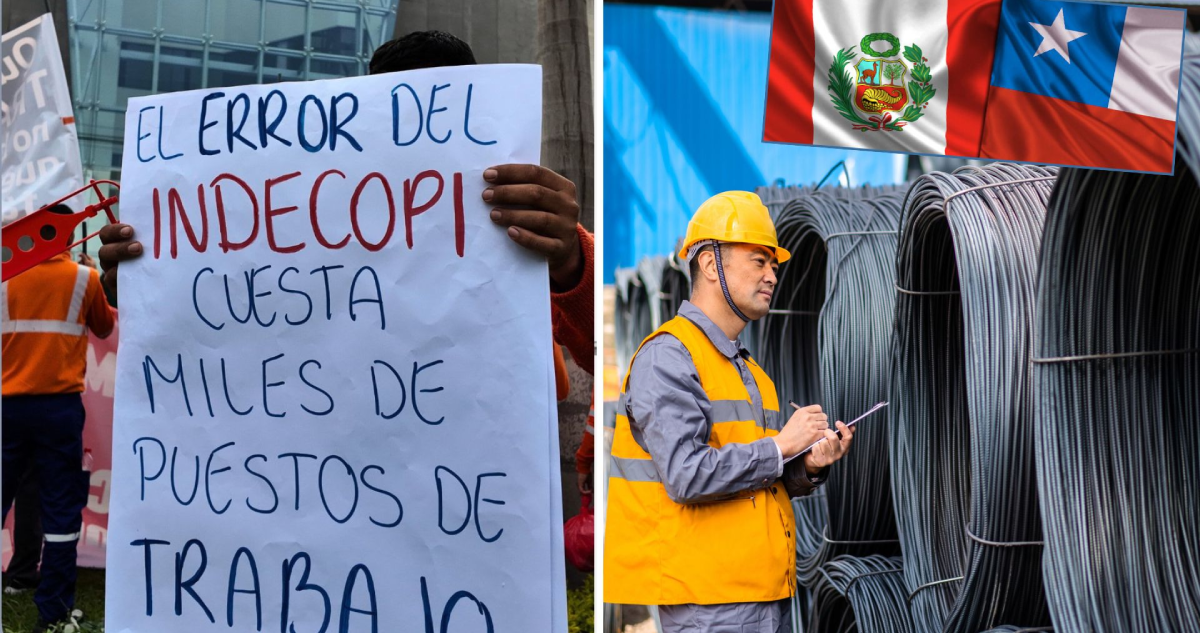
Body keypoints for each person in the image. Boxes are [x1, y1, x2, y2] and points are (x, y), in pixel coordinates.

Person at [604, 191, 856, 632]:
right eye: (759, 261)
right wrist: (781, 445)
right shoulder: (670, 357)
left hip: (763, 594)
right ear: (708, 264)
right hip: (710, 604)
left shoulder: (749, 372)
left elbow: (756, 483)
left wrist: (807, 464)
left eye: (774, 265)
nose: (772, 275)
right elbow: (687, 475)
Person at [2, 205, 116, 632]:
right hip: (59, 409)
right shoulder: (83, 279)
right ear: (67, 237)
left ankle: (19, 579)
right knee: (60, 507)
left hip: (6, 406)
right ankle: (53, 610)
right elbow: (104, 329)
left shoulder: (5, 274)